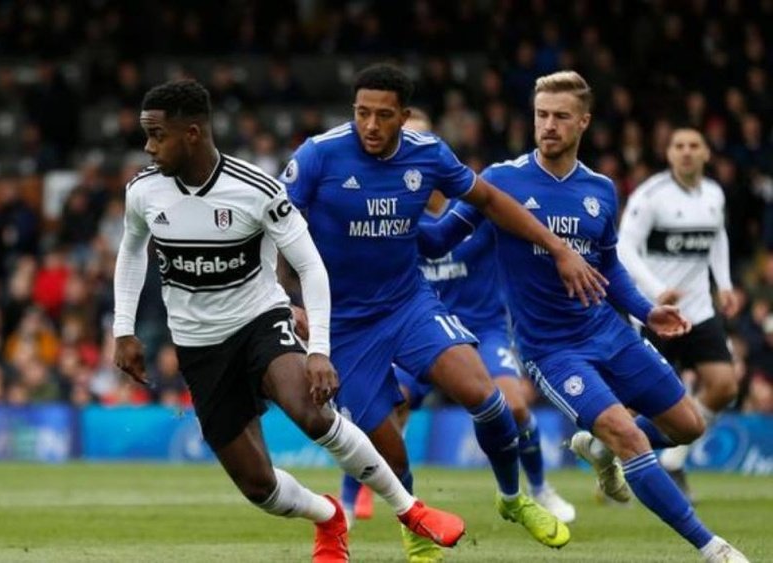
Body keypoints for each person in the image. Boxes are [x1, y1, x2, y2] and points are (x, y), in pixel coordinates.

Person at [113, 79, 465, 563]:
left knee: (312, 412)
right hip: (199, 346)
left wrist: (318, 348)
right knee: (258, 485)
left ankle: (411, 511)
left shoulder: (256, 189)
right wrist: (123, 329)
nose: (149, 148)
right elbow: (131, 251)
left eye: (157, 135)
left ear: (192, 133)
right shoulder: (143, 191)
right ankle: (327, 516)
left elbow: (311, 266)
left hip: (261, 320)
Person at [418, 71, 748, 563]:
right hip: (552, 351)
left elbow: (609, 264)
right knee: (630, 435)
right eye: (541, 115)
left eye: (560, 117)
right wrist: (390, 223)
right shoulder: (501, 181)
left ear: (584, 123)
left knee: (688, 425)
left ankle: (599, 448)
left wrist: (646, 309)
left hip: (608, 331)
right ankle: (712, 547)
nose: (548, 125)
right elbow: (438, 239)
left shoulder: (600, 189)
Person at [281, 63, 606, 560]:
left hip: (407, 304)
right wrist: (290, 302)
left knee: (487, 394)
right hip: (343, 324)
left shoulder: (428, 155)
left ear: (403, 116)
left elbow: (491, 200)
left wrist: (558, 248)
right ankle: (414, 522)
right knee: (386, 447)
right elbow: (273, 230)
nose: (370, 125)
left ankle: (513, 498)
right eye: (362, 113)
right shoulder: (319, 156)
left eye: (383, 115)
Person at [338, 108, 576, 528]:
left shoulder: (472, 207)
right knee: (380, 408)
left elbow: (516, 234)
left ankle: (539, 488)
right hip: (413, 325)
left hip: (481, 329)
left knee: (514, 407)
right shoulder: (388, 212)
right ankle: (351, 497)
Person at [617, 126, 741, 497]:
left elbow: (717, 238)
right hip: (656, 313)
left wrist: (726, 284)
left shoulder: (714, 194)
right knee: (641, 401)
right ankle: (620, 465)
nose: (686, 152)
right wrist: (657, 291)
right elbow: (624, 247)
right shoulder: (651, 195)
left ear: (706, 153)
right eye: (679, 146)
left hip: (700, 311)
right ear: (668, 153)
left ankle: (672, 462)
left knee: (724, 386)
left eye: (694, 146)